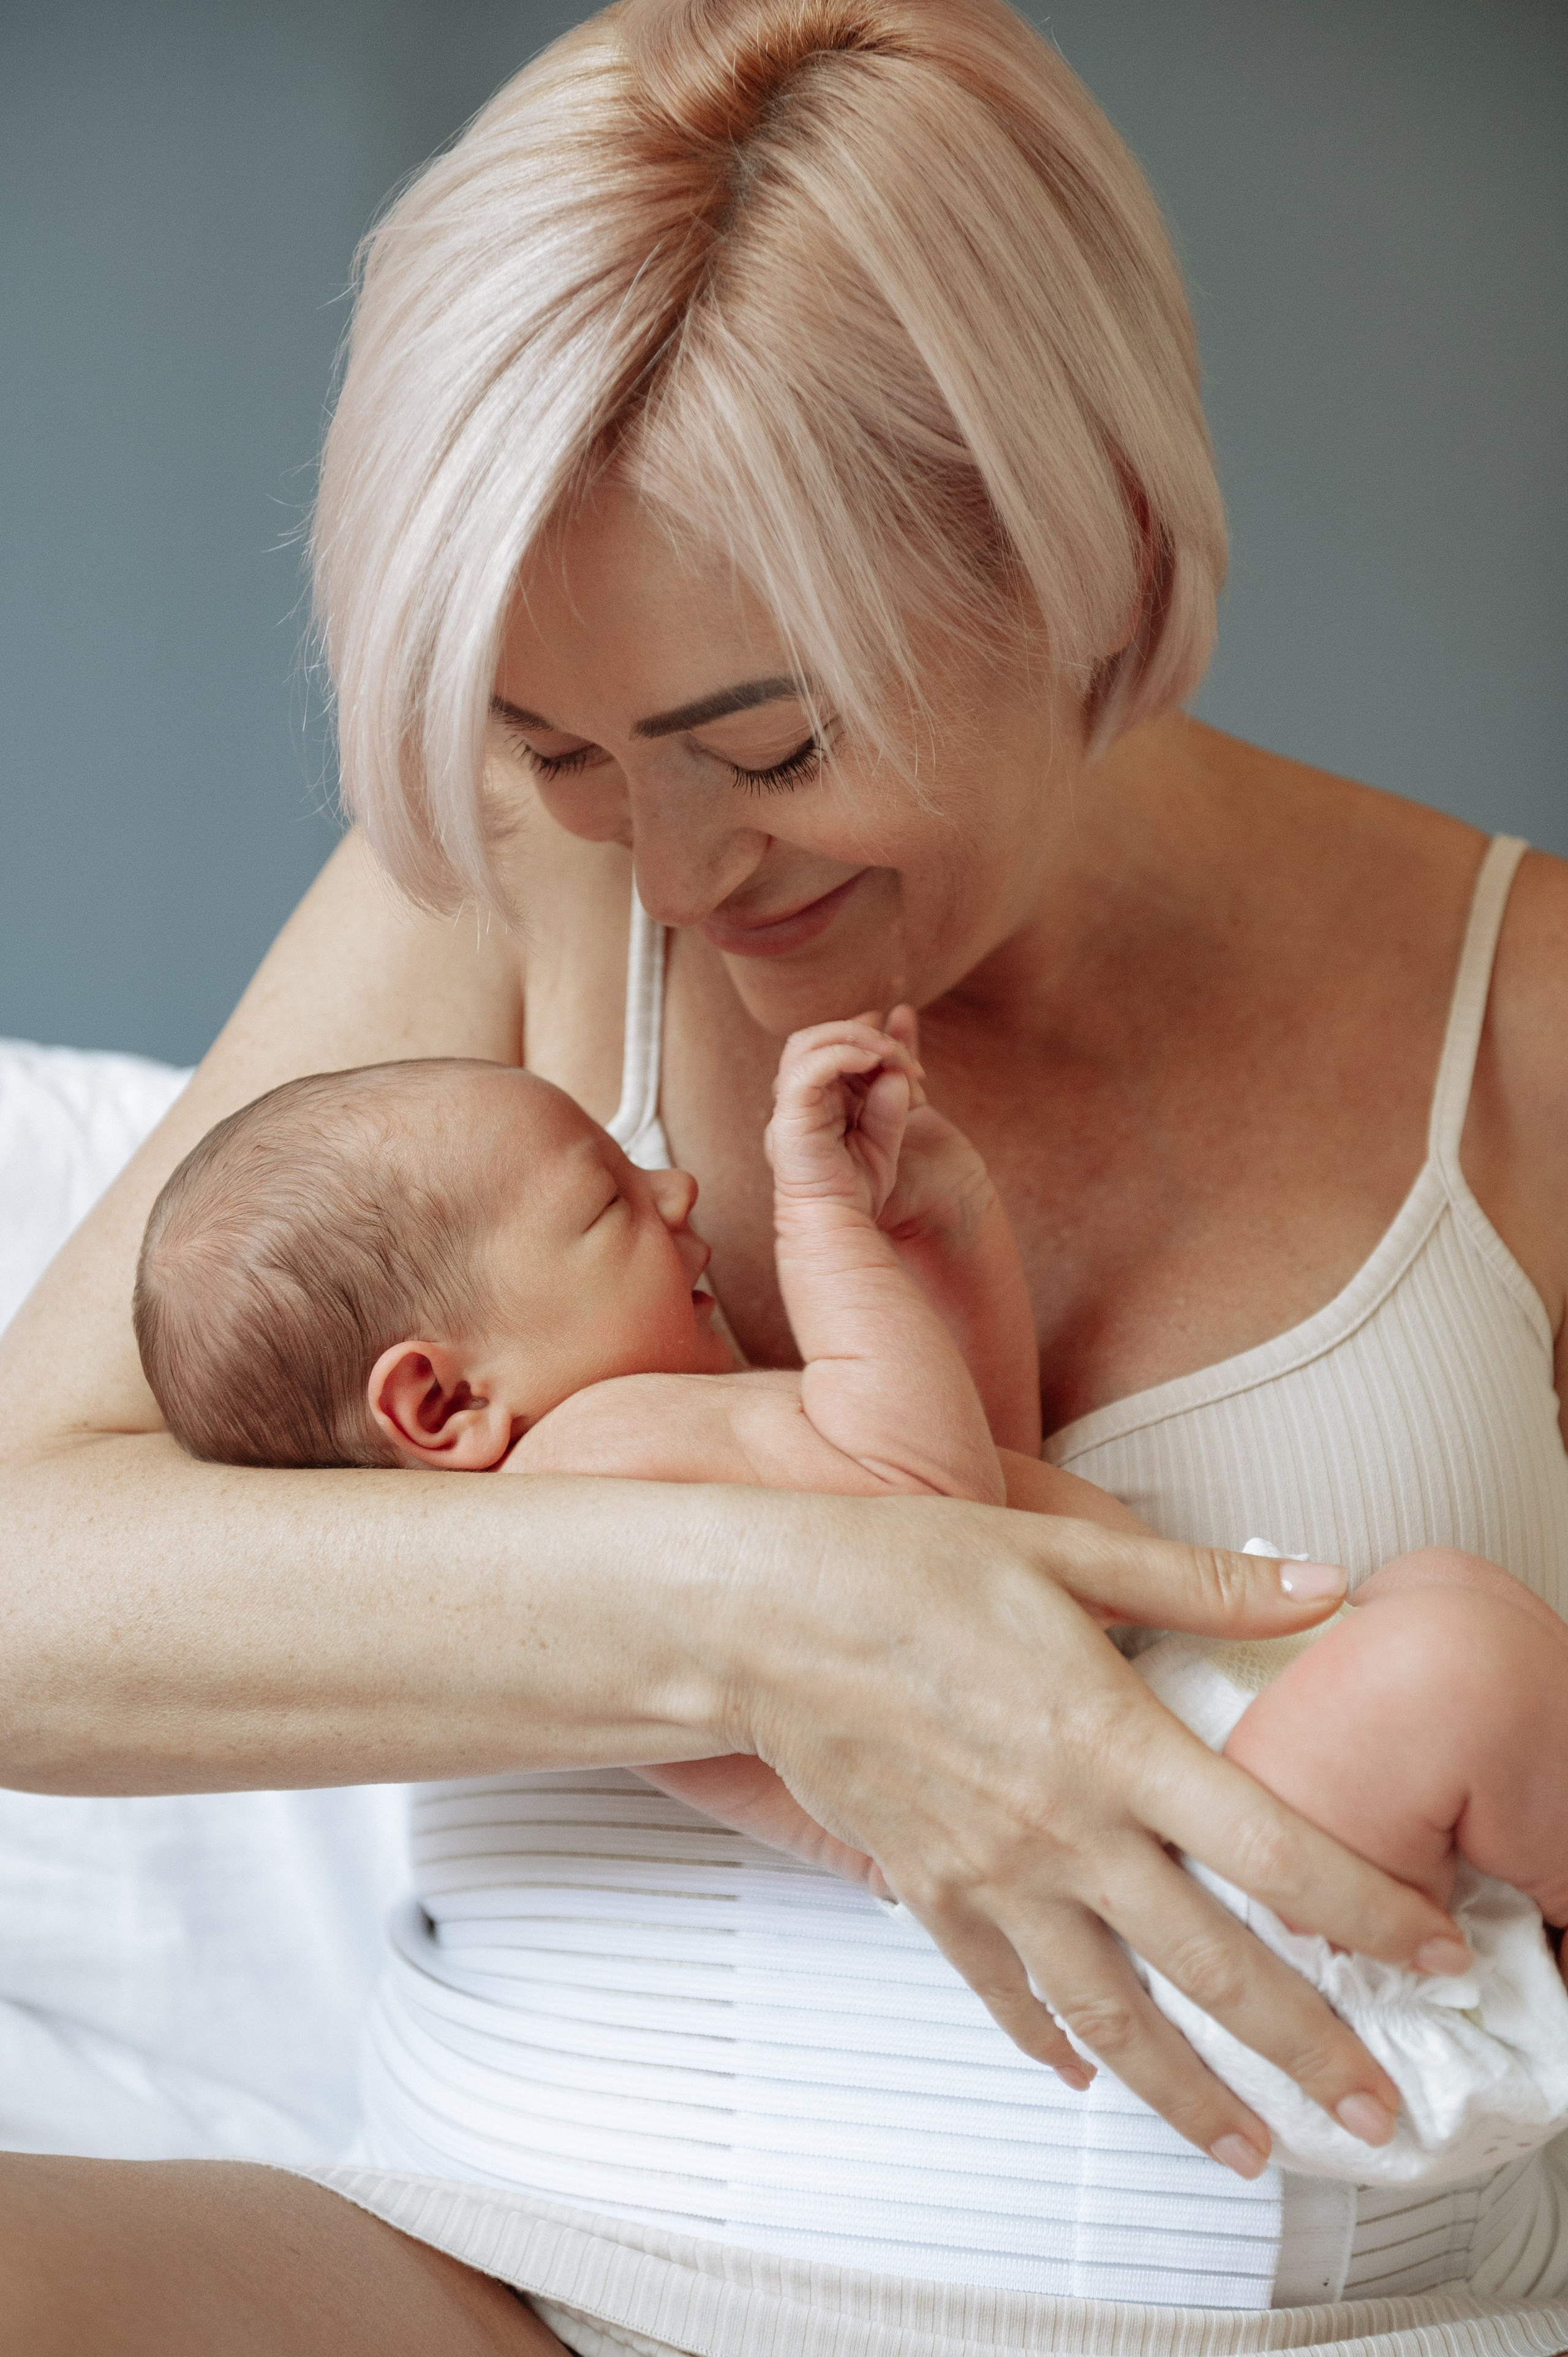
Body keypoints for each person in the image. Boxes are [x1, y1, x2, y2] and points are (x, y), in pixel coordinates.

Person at [0, 0, 1564, 2344]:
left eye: (770, 743)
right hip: (503, 2275)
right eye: (561, 746)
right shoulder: (533, 872)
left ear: (1088, 549)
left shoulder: (1520, 1015)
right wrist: (787, 1626)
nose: (679, 867)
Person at [130, 1022, 1568, 2193]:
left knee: (1436, 1602)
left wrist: (946, 1239)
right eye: (601, 1204)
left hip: (1178, 1831)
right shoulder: (589, 1477)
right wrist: (820, 1220)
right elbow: (922, 1499)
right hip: (1169, 1908)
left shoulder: (678, 1454)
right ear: (442, 1401)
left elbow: (981, 1502)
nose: (677, 1193)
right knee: (1448, 1657)